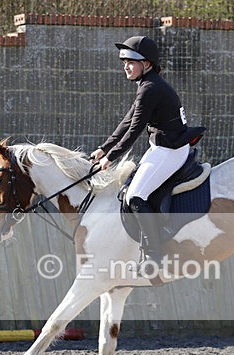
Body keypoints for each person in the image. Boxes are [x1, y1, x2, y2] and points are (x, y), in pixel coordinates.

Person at [90, 35, 199, 265]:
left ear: (147, 64)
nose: (126, 67)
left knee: (135, 196)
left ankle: (154, 254)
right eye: (124, 62)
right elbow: (127, 121)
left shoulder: (150, 88)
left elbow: (135, 130)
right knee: (132, 190)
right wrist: (103, 148)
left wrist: (111, 158)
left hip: (170, 150)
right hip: (162, 147)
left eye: (131, 62)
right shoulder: (148, 85)